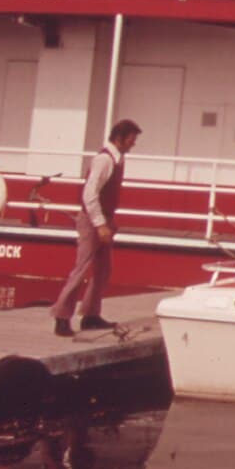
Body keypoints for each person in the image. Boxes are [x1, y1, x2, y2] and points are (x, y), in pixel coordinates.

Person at [51, 118, 139, 337]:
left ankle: (90, 315)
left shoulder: (117, 159)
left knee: (103, 269)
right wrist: (100, 224)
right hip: (93, 220)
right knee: (82, 268)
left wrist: (108, 221)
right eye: (131, 139)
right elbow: (89, 194)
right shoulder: (104, 160)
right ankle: (62, 317)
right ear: (120, 138)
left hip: (104, 218)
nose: (133, 144)